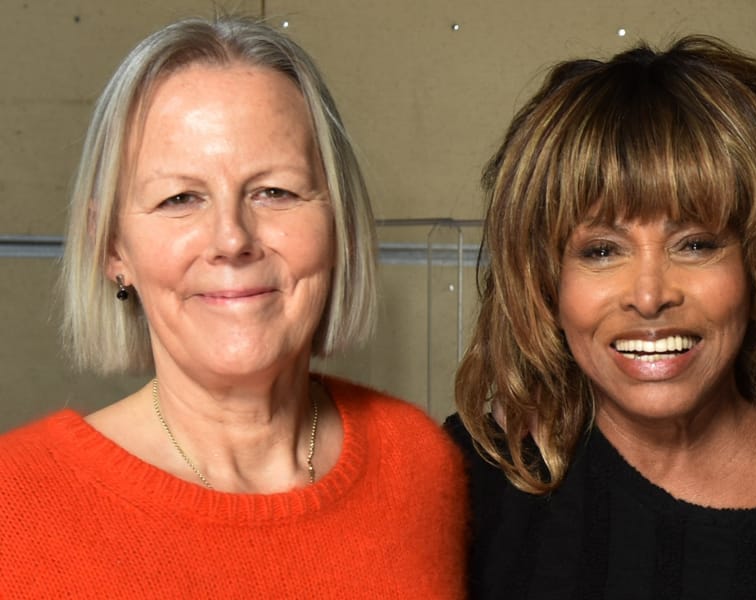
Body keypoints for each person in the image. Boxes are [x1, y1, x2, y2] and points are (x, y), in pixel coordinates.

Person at [0, 16, 467, 597]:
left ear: (338, 221)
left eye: (275, 191)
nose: (231, 239)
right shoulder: (15, 506)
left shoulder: (422, 463)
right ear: (112, 247)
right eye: (180, 198)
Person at [446, 35, 756, 598]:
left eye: (696, 244)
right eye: (601, 250)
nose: (649, 295)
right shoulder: (470, 479)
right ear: (545, 281)